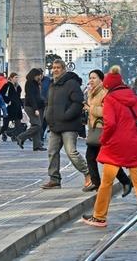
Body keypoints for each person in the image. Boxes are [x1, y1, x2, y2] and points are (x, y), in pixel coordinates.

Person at [81, 66, 137, 230]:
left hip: (115, 147)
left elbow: (110, 124)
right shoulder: (134, 99)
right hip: (134, 146)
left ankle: (99, 216)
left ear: (108, 86)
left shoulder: (110, 99)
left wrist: (104, 140)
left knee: (106, 182)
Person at [40, 60, 91, 190]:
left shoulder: (71, 83)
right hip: (54, 124)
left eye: (58, 68)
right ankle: (54, 179)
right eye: (54, 68)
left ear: (64, 69)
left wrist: (66, 115)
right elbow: (48, 103)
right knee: (52, 152)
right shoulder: (53, 84)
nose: (55, 70)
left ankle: (88, 173)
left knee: (71, 152)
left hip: (69, 124)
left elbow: (78, 102)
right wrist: (47, 115)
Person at [83, 69, 132, 195]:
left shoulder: (105, 93)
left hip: (104, 129)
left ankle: (124, 181)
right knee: (94, 157)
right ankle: (99, 183)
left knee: (106, 159)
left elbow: (107, 111)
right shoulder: (91, 92)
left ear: (100, 79)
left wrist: (90, 108)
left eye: (93, 78)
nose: (91, 81)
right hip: (95, 129)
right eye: (90, 78)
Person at [15, 68, 46, 151]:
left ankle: (37, 145)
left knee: (36, 126)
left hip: (37, 106)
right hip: (31, 107)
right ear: (34, 75)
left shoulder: (36, 83)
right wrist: (35, 109)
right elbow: (31, 97)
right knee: (37, 125)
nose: (40, 77)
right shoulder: (30, 83)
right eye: (38, 75)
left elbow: (37, 96)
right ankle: (21, 137)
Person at [0, 72, 23, 141]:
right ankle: (1, 133)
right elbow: (1, 94)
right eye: (15, 77)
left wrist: (21, 105)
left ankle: (15, 136)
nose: (17, 79)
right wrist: (8, 101)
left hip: (17, 106)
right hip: (10, 107)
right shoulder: (7, 85)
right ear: (11, 78)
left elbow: (18, 97)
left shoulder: (18, 86)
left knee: (18, 122)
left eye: (17, 77)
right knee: (6, 123)